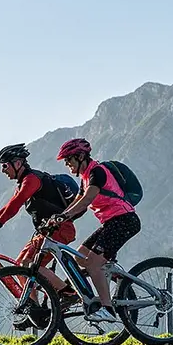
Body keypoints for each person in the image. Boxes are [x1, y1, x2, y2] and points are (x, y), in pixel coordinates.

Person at [0, 143, 76, 327]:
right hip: (45, 232)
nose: (2, 170)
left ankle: (68, 293)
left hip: (60, 229)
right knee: (21, 266)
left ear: (17, 163)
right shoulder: (23, 182)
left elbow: (15, 206)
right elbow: (7, 206)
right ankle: (35, 312)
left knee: (29, 266)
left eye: (5, 165)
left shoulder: (32, 179)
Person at [51, 138, 141, 323]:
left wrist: (63, 217)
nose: (67, 164)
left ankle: (107, 309)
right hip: (112, 223)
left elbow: (87, 200)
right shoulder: (85, 178)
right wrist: (57, 219)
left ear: (81, 156)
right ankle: (109, 279)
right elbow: (78, 203)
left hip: (124, 220)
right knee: (80, 256)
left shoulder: (97, 172)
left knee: (92, 263)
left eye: (69, 159)